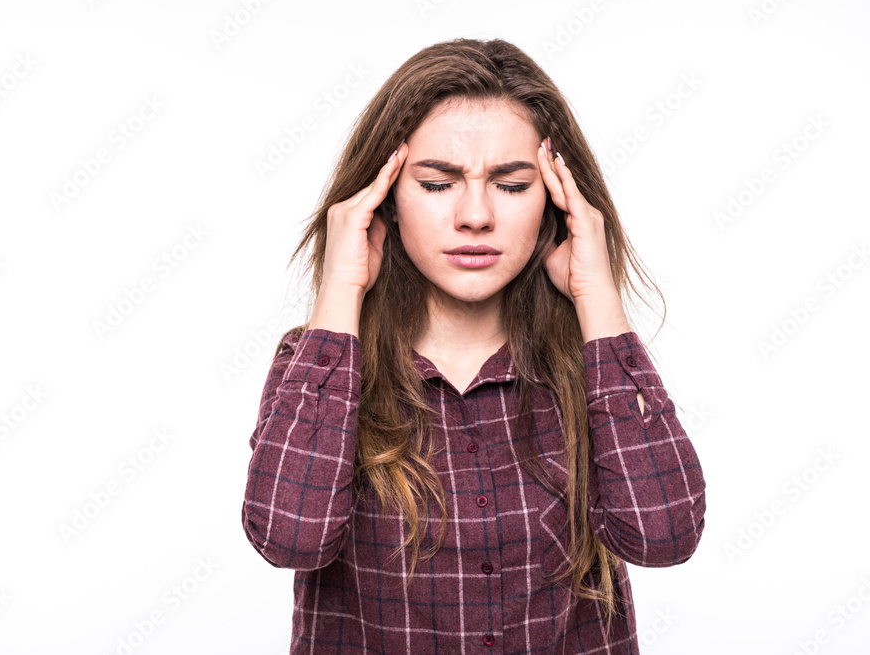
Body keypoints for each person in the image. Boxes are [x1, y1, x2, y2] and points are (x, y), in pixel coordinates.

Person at [242, 37, 706, 654]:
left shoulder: (594, 369)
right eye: (438, 183)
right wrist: (341, 288)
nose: (476, 216)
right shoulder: (318, 368)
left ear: (555, 201)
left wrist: (597, 296)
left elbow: (664, 536)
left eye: (511, 185)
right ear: (385, 198)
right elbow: (288, 538)